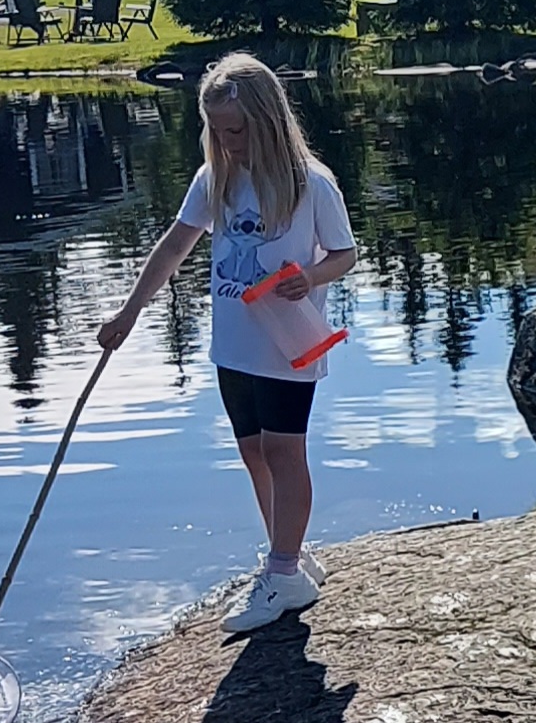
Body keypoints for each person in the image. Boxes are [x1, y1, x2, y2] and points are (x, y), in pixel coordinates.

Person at [99, 52, 359, 632]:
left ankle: (284, 572)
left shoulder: (311, 184)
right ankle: (288, 557)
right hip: (233, 344)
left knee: (283, 451)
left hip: (287, 342)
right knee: (252, 452)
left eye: (236, 129)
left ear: (267, 119)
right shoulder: (215, 178)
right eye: (216, 130)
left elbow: (346, 253)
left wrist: (311, 278)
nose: (227, 140)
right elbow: (174, 245)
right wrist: (129, 311)